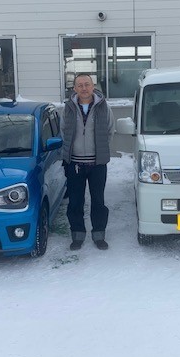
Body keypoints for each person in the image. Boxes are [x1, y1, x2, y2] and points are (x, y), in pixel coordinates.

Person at [61, 73, 114, 251]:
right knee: (75, 201)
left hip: (97, 163)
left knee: (98, 200)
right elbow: (63, 131)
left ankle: (99, 235)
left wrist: (100, 150)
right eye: (80, 85)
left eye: (87, 84)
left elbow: (110, 130)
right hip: (75, 163)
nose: (84, 88)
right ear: (74, 88)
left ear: (93, 86)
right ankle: (77, 235)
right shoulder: (68, 108)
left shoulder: (103, 107)